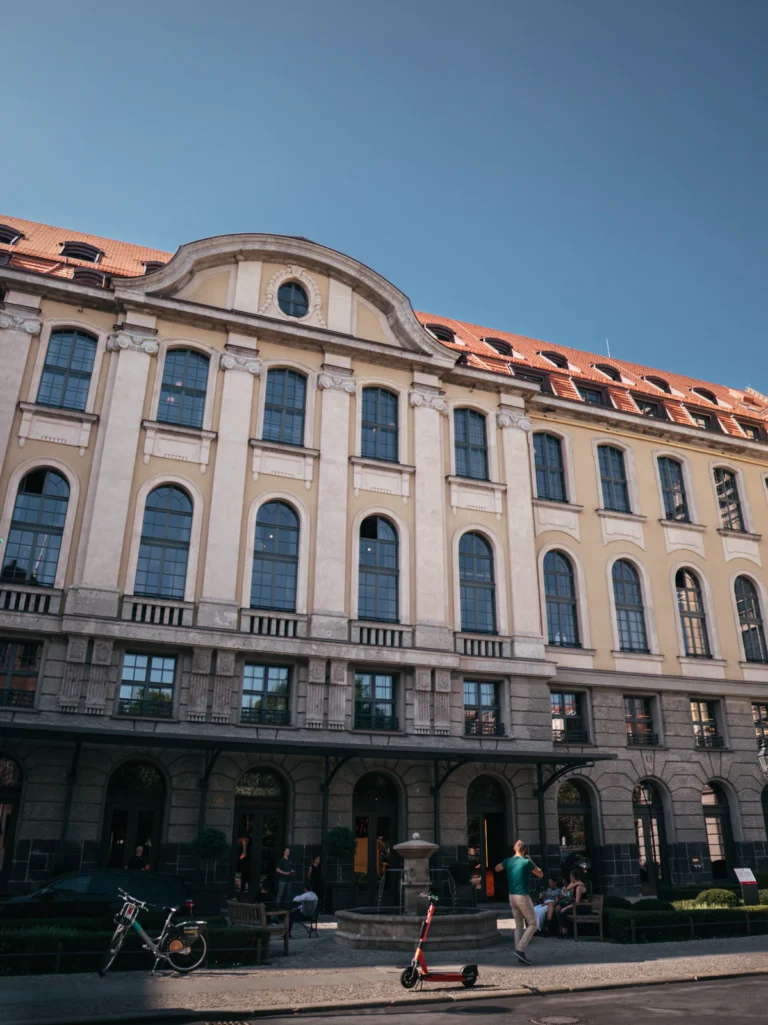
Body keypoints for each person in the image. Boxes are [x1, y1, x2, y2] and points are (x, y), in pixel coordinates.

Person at [495, 839, 543, 965]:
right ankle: (521, 950)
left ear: (514, 849)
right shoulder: (526, 862)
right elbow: (540, 874)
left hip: (511, 896)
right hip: (522, 896)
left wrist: (506, 865)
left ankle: (519, 952)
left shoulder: (509, 861)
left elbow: (497, 868)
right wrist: (531, 860)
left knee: (518, 926)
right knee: (533, 924)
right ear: (525, 850)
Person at [557, 868, 588, 937]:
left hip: (582, 907)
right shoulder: (576, 884)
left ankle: (565, 932)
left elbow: (577, 902)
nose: (570, 879)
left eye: (571, 877)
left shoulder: (579, 887)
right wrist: (574, 883)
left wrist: (566, 908)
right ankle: (563, 931)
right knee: (560, 909)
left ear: (573, 877)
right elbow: (565, 890)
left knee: (564, 911)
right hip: (576, 906)